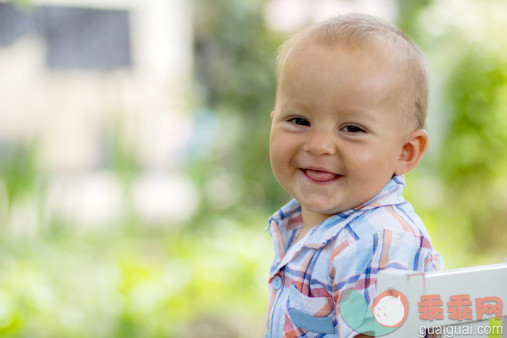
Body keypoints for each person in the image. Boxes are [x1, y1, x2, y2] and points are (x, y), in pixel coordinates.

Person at [265, 13, 443, 338]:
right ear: (274, 120)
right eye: (299, 120)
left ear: (406, 151)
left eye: (352, 128)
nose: (318, 145)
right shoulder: (306, 223)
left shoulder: (377, 240)